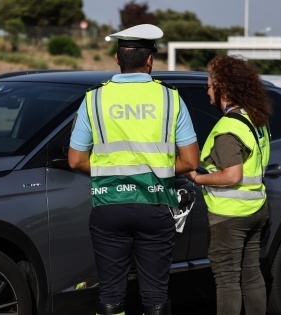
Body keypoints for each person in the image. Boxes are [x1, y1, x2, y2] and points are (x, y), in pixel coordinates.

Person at [68, 24, 199, 315]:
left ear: (117, 58)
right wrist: (158, 170)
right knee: (155, 294)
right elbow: (190, 161)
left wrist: (110, 171)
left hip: (108, 204)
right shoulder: (171, 99)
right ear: (149, 60)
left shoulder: (94, 99)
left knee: (111, 293)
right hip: (155, 203)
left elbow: (76, 160)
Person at [186, 55, 271, 315]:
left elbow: (232, 176)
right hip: (256, 208)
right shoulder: (255, 120)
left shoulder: (228, 127)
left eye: (210, 84)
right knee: (252, 274)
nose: (208, 90)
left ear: (224, 87)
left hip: (230, 213)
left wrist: (198, 178)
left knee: (227, 281)